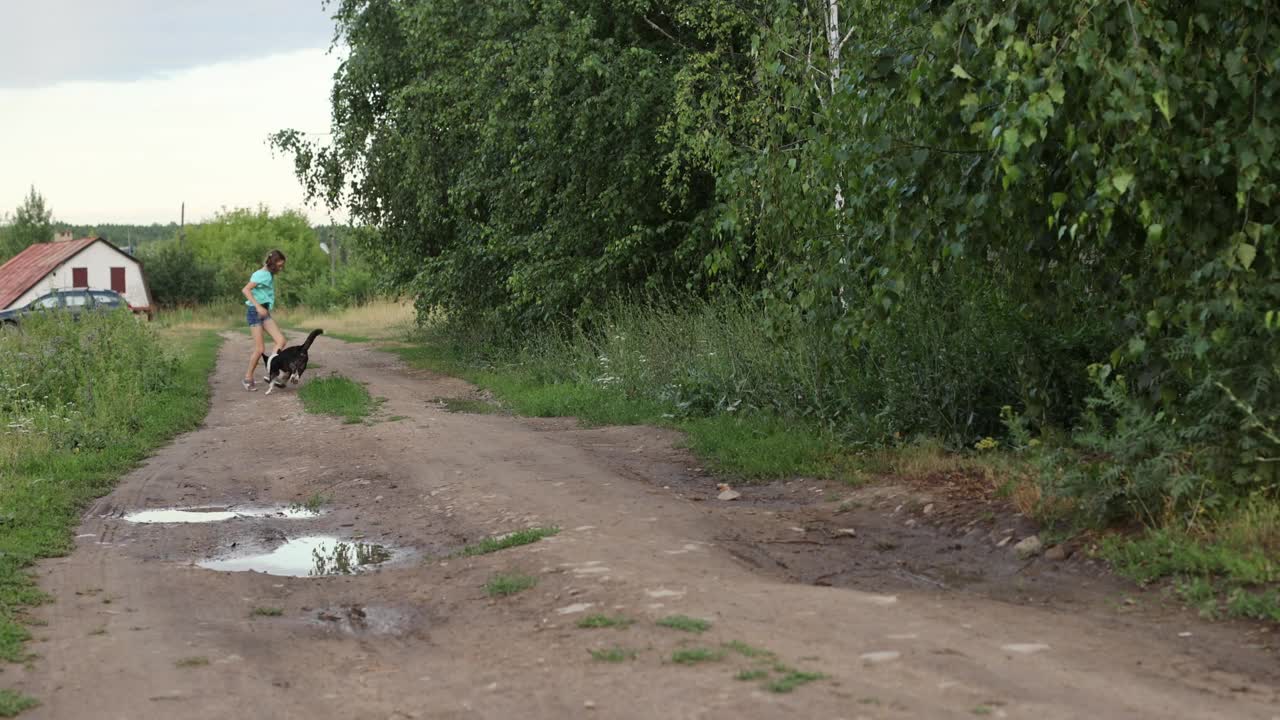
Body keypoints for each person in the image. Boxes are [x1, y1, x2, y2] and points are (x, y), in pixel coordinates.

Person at [241, 249, 287, 391]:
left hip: (264, 312)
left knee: (281, 341)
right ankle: (247, 378)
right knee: (260, 348)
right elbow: (246, 290)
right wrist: (258, 306)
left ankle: (272, 372)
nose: (281, 268)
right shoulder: (263, 275)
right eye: (279, 266)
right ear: (273, 264)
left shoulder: (268, 274)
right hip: (255, 312)